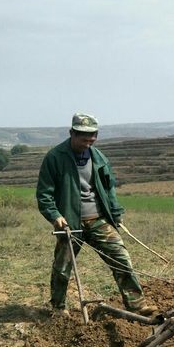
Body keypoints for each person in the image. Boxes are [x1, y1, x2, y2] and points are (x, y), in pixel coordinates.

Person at [36, 113, 157, 317]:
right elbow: (44, 194)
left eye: (92, 137)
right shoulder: (55, 158)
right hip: (70, 223)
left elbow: (109, 189)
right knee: (62, 267)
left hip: (99, 219)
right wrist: (55, 215)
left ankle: (137, 305)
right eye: (83, 137)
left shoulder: (99, 157)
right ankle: (58, 307)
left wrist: (115, 213)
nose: (88, 141)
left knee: (121, 259)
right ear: (71, 133)